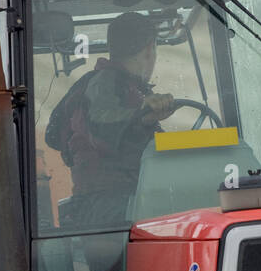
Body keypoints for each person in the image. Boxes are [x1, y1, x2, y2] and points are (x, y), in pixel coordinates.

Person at [48, 12, 177, 227]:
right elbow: (102, 125)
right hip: (110, 203)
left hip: (115, 198)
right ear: (149, 49)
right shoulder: (106, 81)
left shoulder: (127, 88)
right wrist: (141, 114)